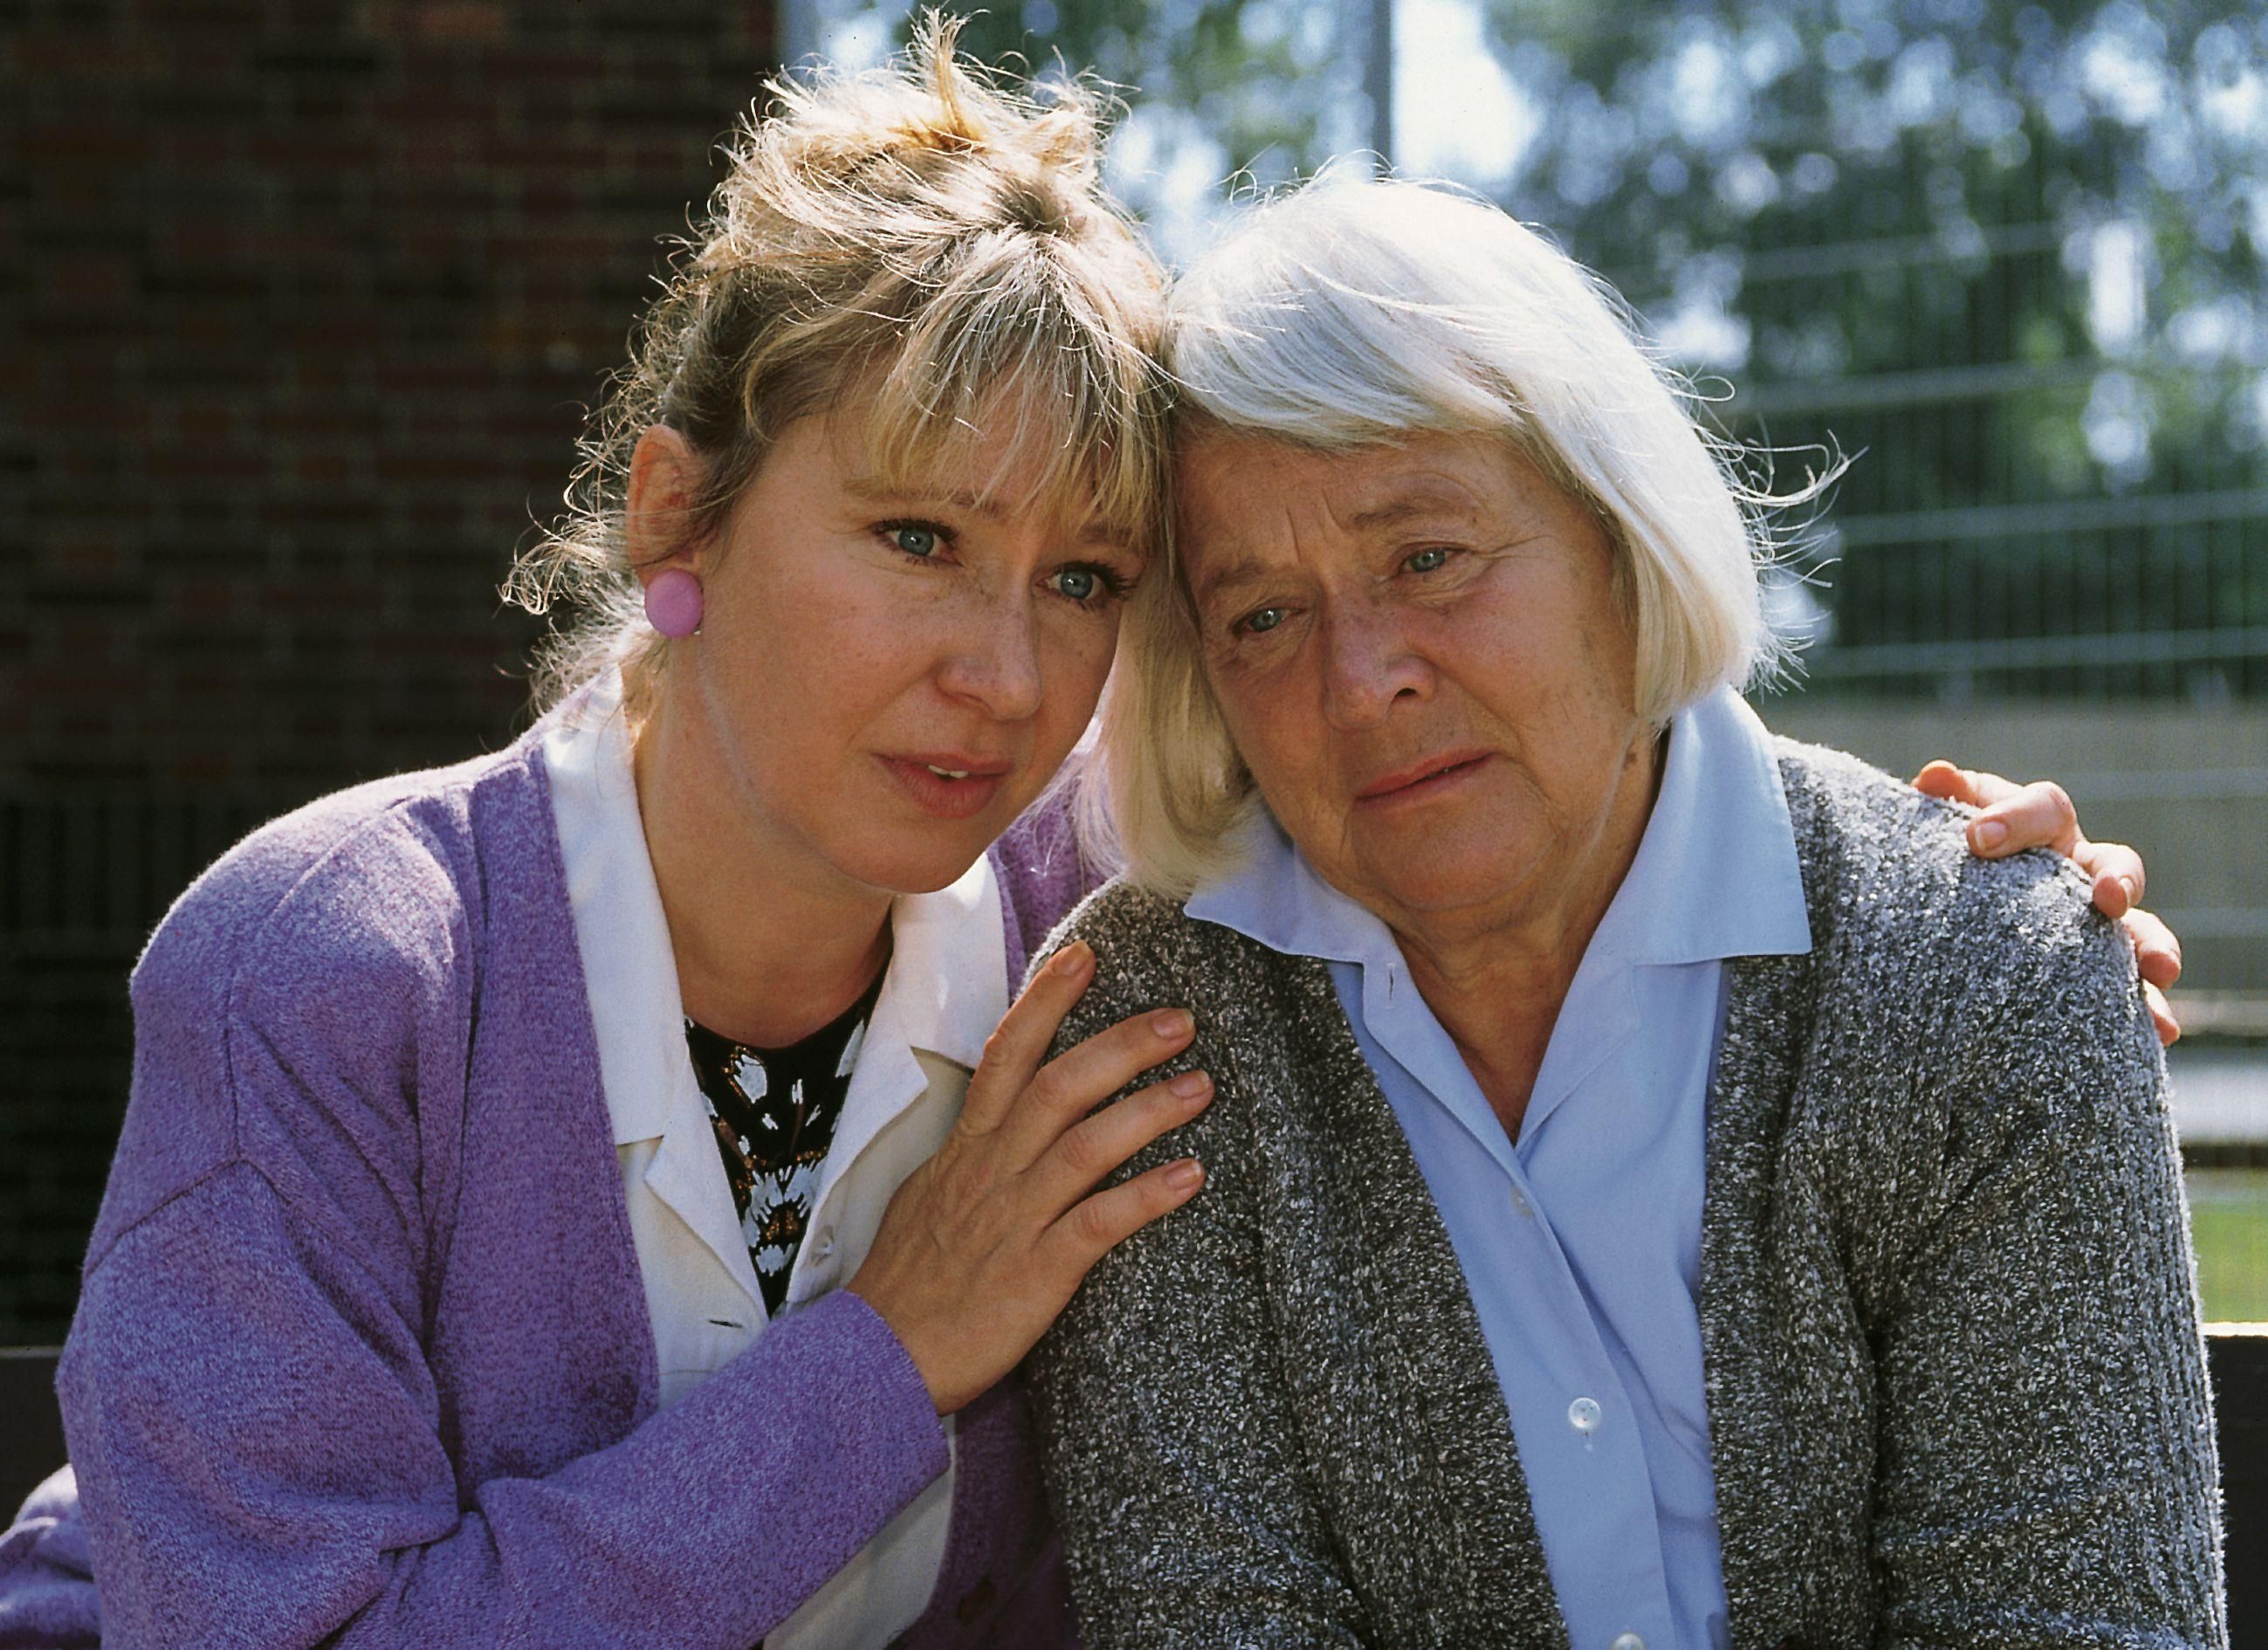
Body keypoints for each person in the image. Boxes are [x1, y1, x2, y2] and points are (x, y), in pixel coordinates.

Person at [0, 33, 2185, 1650]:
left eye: (1081, 579)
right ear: (679, 517)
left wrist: (1972, 917)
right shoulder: (333, 968)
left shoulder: (1107, 939)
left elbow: (1501, 726)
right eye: (917, 534)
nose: (1000, 670)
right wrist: (889, 1357)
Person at [1030, 176, 2223, 1650]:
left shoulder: (1986, 972)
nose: (1362, 680)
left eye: (1427, 558)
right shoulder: (1147, 1039)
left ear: (1612, 530)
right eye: (1263, 615)